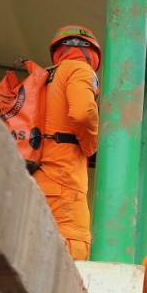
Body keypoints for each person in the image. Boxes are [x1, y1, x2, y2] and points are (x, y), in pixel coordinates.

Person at [34, 25, 102, 260]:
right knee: (73, 253)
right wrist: (91, 145)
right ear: (93, 54)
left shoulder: (40, 77)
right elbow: (83, 113)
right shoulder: (80, 70)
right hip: (64, 182)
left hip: (37, 179)